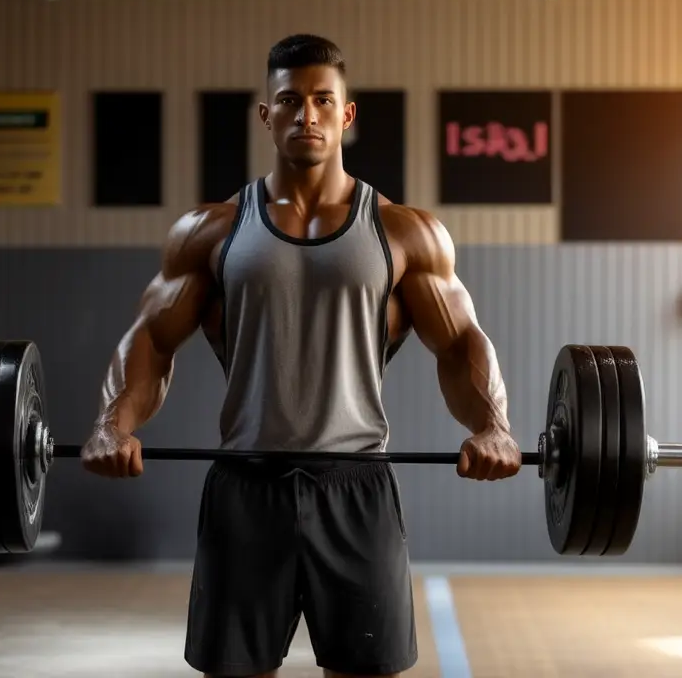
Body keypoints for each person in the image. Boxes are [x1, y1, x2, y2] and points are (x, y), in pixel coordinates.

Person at [82, 34, 522, 678]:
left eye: (322, 100)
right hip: (246, 487)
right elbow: (151, 338)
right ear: (266, 115)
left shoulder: (404, 231)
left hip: (358, 487)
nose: (305, 115)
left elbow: (458, 343)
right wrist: (110, 425)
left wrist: (493, 426)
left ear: (347, 114)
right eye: (289, 100)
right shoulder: (211, 230)